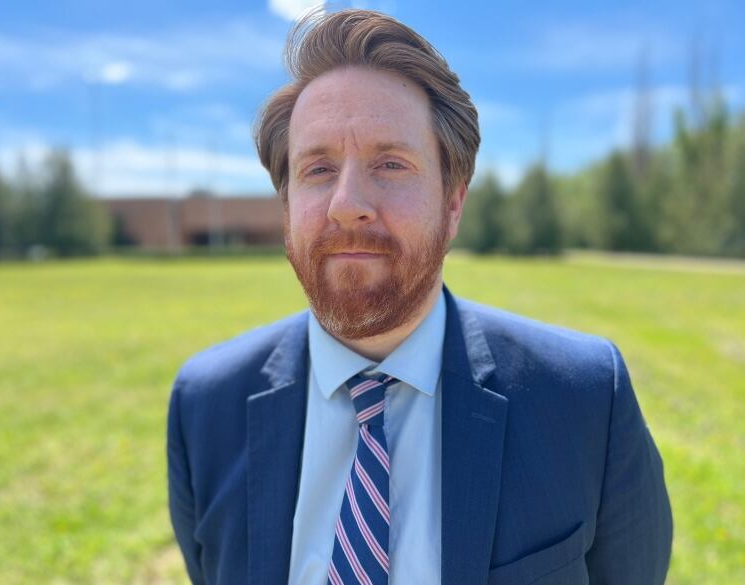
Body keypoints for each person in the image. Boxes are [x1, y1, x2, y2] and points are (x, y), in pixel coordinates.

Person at [167, 9, 672, 585]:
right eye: (318, 168)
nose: (346, 202)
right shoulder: (205, 408)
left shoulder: (583, 400)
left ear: (453, 203)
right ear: (286, 210)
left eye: (390, 163)